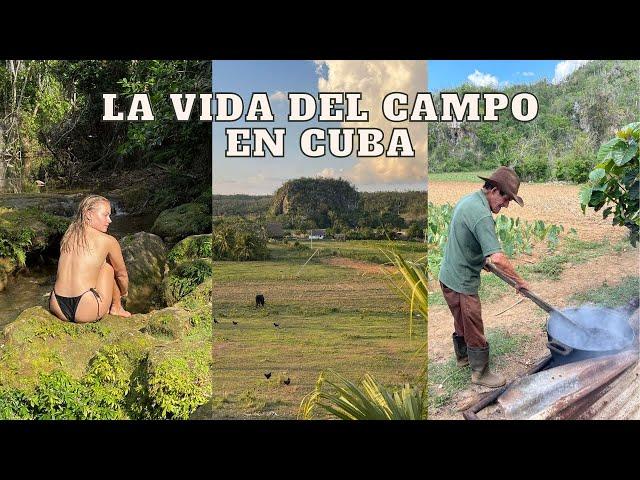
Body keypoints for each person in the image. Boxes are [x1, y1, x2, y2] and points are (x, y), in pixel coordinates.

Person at [438, 166, 530, 388]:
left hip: (447, 276)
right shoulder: (482, 215)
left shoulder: (469, 201)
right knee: (474, 325)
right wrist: (520, 282)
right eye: (506, 199)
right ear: (495, 190)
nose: (506, 205)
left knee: (460, 319)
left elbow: (464, 239)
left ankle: (463, 357)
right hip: (462, 281)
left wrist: (480, 261)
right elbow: (498, 258)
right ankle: (480, 373)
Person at [49, 194, 131, 323]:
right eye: (105, 215)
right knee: (108, 266)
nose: (109, 220)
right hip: (85, 309)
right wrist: (124, 292)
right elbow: (121, 275)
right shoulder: (107, 241)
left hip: (57, 305)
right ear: (88, 214)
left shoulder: (69, 234)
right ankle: (117, 307)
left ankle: (114, 306)